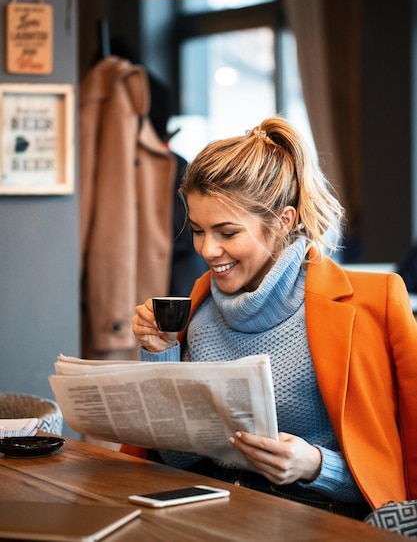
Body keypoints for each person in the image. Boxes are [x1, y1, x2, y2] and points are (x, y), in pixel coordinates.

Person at [131, 116, 417, 520]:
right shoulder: (197, 309)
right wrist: (160, 352)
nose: (208, 250)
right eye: (197, 230)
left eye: (227, 233)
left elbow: (397, 470)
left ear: (282, 222)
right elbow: (176, 459)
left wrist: (315, 465)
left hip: (322, 516)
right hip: (210, 511)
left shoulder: (375, 303)